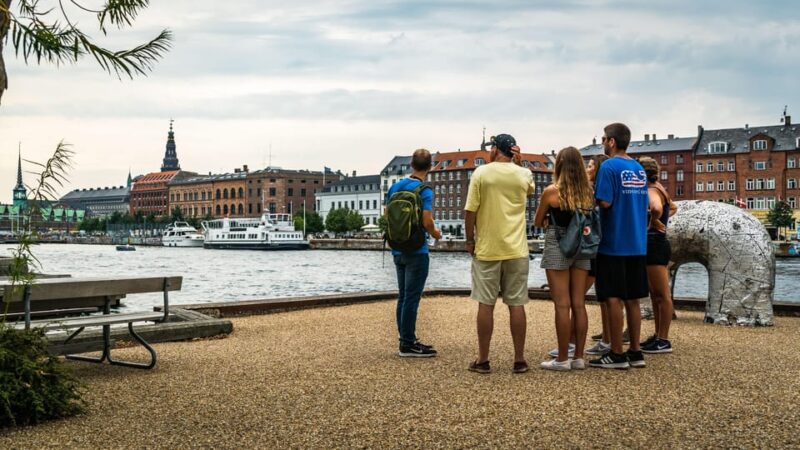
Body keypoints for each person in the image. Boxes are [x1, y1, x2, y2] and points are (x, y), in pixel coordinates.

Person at [465, 134, 535, 374]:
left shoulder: (481, 173)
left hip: (488, 249)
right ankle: (519, 360)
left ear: (495, 149)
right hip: (517, 249)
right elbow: (529, 189)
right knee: (517, 304)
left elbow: (470, 211)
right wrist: (519, 163)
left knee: (486, 304)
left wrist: (470, 240)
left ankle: (483, 360)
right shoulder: (524, 174)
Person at [588, 123, 649, 370]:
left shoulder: (609, 166)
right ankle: (635, 351)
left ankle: (616, 353)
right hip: (637, 243)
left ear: (612, 142)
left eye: (604, 139)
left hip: (613, 243)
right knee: (633, 299)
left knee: (612, 297)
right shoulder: (639, 169)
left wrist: (590, 196)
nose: (603, 142)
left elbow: (605, 201)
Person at [534, 147, 593, 371]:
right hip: (582, 246)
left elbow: (538, 221)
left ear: (558, 165)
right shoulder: (588, 192)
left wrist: (548, 219)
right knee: (579, 303)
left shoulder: (552, 192)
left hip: (558, 244)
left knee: (562, 304)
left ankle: (561, 359)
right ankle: (578, 357)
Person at [386, 148, 442, 357]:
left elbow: (387, 215)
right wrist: (436, 234)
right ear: (430, 167)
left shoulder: (395, 187)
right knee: (411, 298)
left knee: (403, 297)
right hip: (417, 249)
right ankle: (408, 344)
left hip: (397, 248)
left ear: (411, 164)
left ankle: (405, 340)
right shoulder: (424, 190)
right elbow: (427, 221)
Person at [638, 156, 678, 354]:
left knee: (662, 294)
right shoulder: (660, 187)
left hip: (654, 243)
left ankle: (663, 340)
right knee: (656, 294)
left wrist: (654, 220)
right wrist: (661, 219)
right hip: (656, 243)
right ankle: (657, 335)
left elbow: (656, 207)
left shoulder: (651, 190)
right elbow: (673, 207)